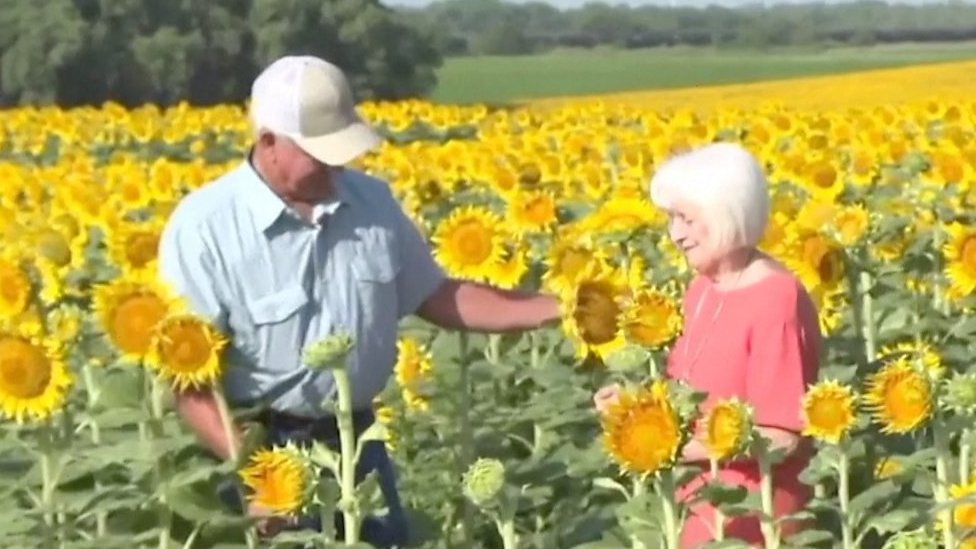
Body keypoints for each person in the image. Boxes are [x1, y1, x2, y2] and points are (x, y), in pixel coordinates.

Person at [158, 55, 561, 547]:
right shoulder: (205, 227)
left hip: (357, 442)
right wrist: (255, 472)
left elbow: (436, 295)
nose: (336, 164)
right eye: (319, 153)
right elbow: (188, 380)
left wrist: (557, 307)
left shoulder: (372, 203)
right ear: (269, 144)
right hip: (260, 446)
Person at [593, 142, 821, 547]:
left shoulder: (775, 298)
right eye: (671, 219)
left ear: (726, 215)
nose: (675, 234)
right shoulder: (703, 287)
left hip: (754, 515)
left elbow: (782, 435)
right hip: (697, 506)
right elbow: (694, 393)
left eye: (686, 219)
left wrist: (666, 449)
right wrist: (636, 410)